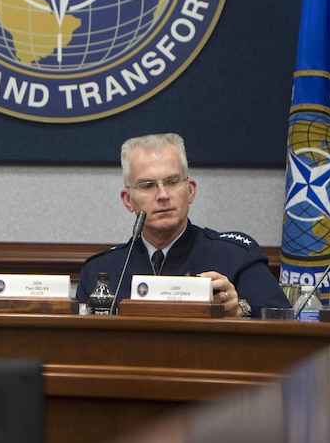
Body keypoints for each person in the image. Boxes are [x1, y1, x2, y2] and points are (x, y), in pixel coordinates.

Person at [76, 133, 289, 317]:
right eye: (148, 185)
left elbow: (282, 318)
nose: (162, 195)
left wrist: (241, 310)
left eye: (172, 182)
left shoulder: (234, 257)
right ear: (128, 200)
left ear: (190, 191)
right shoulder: (102, 271)